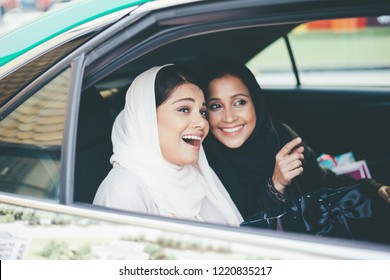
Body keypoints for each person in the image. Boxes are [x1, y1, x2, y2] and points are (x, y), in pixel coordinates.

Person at [202, 58, 390, 223]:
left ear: (256, 102)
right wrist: (276, 186)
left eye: (239, 102)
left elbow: (323, 181)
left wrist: (374, 188)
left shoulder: (280, 135)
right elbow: (244, 232)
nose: (229, 117)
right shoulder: (203, 163)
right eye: (216, 106)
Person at [93, 64, 243, 227]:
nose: (202, 122)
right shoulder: (123, 190)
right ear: (146, 119)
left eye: (202, 112)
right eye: (184, 109)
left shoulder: (197, 176)